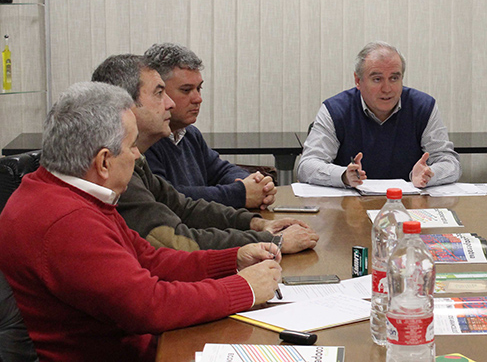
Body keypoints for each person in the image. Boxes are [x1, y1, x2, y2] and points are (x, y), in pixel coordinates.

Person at [0, 82, 282, 361]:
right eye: (132, 145)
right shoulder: (67, 221)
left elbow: (150, 259)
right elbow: (149, 306)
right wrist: (243, 288)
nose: (138, 155)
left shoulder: (67, 192)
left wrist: (233, 260)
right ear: (103, 162)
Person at [91, 54, 318, 253]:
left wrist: (255, 224)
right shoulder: (114, 168)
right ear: (125, 104)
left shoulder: (137, 157)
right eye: (160, 93)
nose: (169, 103)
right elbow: (178, 241)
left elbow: (183, 206)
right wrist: (271, 241)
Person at [297, 41, 461, 188]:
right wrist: (343, 176)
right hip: (350, 209)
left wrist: (429, 175)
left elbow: (450, 162)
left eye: (394, 78)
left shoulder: (423, 107)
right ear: (358, 81)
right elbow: (307, 165)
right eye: (377, 79)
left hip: (408, 206)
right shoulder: (336, 110)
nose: (387, 88)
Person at [143, 43, 276, 210]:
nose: (198, 98)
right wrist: (240, 194)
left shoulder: (190, 135)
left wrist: (255, 184)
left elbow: (220, 171)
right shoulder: (146, 140)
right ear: (159, 92)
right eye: (186, 90)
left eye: (199, 88)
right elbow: (169, 198)